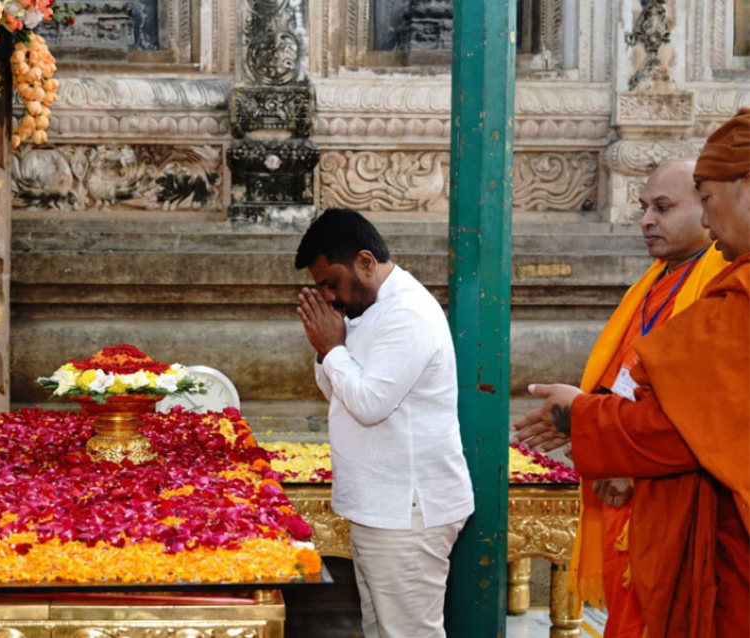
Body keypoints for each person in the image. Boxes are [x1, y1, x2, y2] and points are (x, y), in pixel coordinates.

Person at [512, 107, 749, 638]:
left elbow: (688, 424)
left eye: (705, 200)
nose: (710, 223)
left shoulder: (730, 294)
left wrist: (586, 418)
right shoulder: (674, 282)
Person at [294, 208, 474, 638]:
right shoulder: (371, 309)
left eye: (331, 283)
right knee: (382, 630)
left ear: (366, 262)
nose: (330, 297)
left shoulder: (406, 313)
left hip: (407, 511)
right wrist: (328, 351)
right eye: (321, 287)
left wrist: (332, 347)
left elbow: (370, 403)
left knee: (408, 633)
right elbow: (341, 392)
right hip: (384, 507)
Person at [568, 159, 728, 638]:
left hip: (668, 486)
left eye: (662, 207)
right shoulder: (656, 281)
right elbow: (622, 374)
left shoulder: (718, 284)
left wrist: (630, 463)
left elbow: (702, 402)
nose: (646, 220)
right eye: (644, 208)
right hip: (624, 476)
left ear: (708, 208)